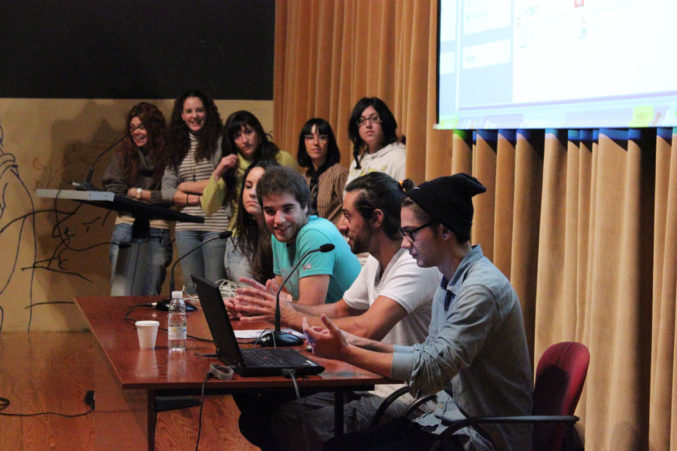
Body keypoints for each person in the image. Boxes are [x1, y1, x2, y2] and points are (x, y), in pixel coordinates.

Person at [305, 173, 533, 450]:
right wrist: (353, 342)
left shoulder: (479, 289)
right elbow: (426, 351)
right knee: (339, 445)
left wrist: (346, 352)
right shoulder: (450, 279)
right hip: (449, 421)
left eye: (411, 233)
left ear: (444, 230)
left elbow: (432, 370)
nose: (404, 243)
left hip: (481, 435)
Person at [234, 172, 441, 450]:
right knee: (263, 415)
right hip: (368, 380)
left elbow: (367, 327)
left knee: (296, 423)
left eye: (347, 216)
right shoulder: (376, 260)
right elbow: (341, 309)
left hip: (406, 394)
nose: (341, 225)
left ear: (376, 218)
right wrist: (276, 306)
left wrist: (286, 316)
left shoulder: (412, 266)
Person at [235, 166, 360, 307]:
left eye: (287, 209)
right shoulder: (279, 235)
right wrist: (251, 304)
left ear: (305, 206)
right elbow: (284, 295)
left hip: (348, 320)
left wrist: (263, 305)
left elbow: (308, 310)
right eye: (270, 211)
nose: (278, 220)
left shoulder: (314, 235)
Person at [102, 102, 172, 295]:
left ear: (154, 128)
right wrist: (144, 199)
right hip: (126, 226)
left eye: (141, 127)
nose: (136, 132)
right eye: (132, 128)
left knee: (149, 296)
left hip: (157, 229)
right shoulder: (124, 153)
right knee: (120, 296)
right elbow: (114, 188)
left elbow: (171, 194)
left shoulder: (169, 156)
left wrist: (139, 194)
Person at [161, 89, 226, 295]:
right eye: (189, 111)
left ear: (208, 111)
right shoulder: (176, 145)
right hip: (186, 227)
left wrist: (184, 187)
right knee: (191, 290)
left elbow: (221, 181)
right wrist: (198, 198)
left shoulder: (220, 141)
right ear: (181, 115)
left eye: (199, 110)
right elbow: (166, 191)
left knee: (215, 288)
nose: (194, 116)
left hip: (216, 224)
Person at [200, 110, 297, 221]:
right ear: (232, 141)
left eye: (248, 132)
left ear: (258, 133)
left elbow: (297, 197)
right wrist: (218, 172)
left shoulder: (282, 159)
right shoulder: (230, 166)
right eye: (237, 136)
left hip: (276, 223)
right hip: (240, 228)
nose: (245, 140)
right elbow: (208, 208)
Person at [223, 159, 279, 286]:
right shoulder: (247, 232)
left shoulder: (281, 234)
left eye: (260, 188)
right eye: (248, 186)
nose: (252, 194)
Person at [345, 97, 406, 186]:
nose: (368, 125)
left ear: (385, 121)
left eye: (374, 118)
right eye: (362, 120)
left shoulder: (399, 157)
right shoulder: (356, 163)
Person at [297, 118, 347, 226]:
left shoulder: (339, 173)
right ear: (303, 143)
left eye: (322, 137)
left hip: (333, 233)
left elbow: (350, 210)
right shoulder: (304, 178)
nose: (316, 143)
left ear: (329, 142)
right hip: (308, 233)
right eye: (310, 138)